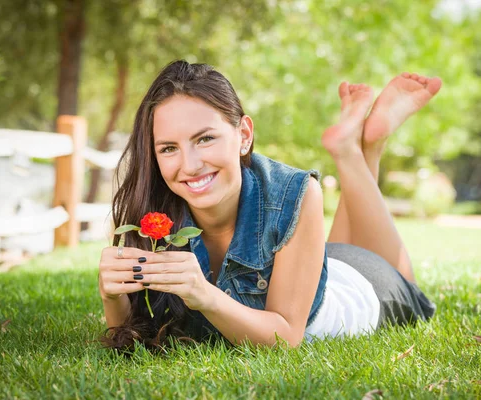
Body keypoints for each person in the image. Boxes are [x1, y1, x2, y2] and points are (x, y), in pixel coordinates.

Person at [98, 60, 441, 349]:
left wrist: (203, 293)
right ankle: (363, 143)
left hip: (362, 287)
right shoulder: (146, 209)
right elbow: (133, 332)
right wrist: (112, 297)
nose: (188, 165)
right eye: (169, 148)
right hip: (317, 267)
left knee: (410, 287)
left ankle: (357, 149)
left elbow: (287, 336)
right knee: (337, 250)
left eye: (205, 139)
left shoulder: (292, 192)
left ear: (244, 135)